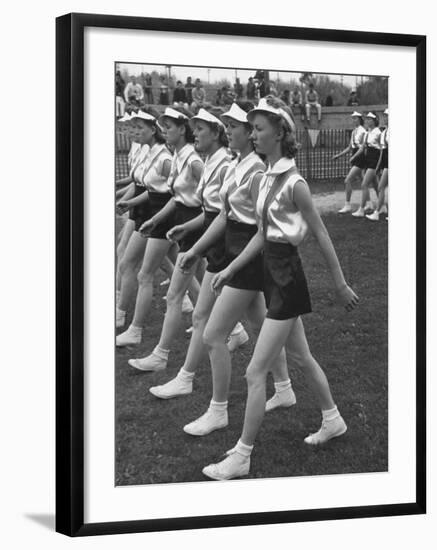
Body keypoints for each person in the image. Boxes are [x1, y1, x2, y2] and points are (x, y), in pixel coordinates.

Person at [200, 97, 358, 480]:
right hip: (270, 274)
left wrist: (339, 283)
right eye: (251, 128)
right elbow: (260, 234)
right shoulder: (266, 177)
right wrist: (231, 269)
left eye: (258, 128)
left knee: (256, 372)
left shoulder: (295, 183)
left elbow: (320, 235)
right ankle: (332, 419)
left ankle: (242, 455)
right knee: (301, 357)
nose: (252, 135)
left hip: (287, 279)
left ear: (280, 133)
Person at [161, 101, 296, 432]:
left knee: (213, 334)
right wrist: (196, 248)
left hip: (245, 259)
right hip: (235, 254)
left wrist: (231, 264)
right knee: (261, 323)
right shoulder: (239, 165)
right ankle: (285, 388)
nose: (232, 131)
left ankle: (218, 409)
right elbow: (224, 214)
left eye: (236, 126)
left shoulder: (256, 171)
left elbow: (261, 227)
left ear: (250, 135)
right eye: (232, 125)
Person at [144, 107, 249, 390]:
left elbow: (226, 214)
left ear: (215, 134)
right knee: (253, 319)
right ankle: (283, 382)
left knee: (209, 315)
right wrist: (187, 229)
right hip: (215, 241)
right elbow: (212, 209)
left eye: (201, 129)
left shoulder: (223, 165)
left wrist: (195, 244)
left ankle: (182, 374)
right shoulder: (213, 162)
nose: (195, 134)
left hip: (228, 247)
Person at [126, 106, 207, 369]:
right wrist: (156, 220)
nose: (164, 132)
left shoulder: (193, 161)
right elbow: (176, 197)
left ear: (182, 129)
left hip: (193, 226)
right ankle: (235, 330)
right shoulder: (178, 155)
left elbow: (212, 202)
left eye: (168, 127)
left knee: (177, 293)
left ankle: (161, 355)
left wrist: (198, 227)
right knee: (202, 283)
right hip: (181, 224)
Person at [115, 109, 175, 343]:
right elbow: (144, 185)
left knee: (135, 265)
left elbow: (174, 192)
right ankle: (234, 329)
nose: (133, 132)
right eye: (132, 127)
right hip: (148, 213)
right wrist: (128, 199)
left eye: (139, 127)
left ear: (153, 129)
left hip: (157, 215)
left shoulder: (164, 157)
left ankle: (126, 320)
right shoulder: (150, 152)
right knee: (179, 269)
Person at [332, 111, 367, 214]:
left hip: (360, 158)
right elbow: (350, 147)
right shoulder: (354, 131)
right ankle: (370, 203)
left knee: (348, 180)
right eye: (353, 118)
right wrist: (338, 155)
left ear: (360, 119)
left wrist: (353, 158)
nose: (353, 120)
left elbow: (361, 148)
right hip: (356, 156)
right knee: (364, 181)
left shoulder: (362, 131)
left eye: (355, 118)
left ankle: (347, 205)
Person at [350, 112, 381, 218]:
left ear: (374, 121)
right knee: (376, 185)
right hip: (369, 160)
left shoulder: (378, 132)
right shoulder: (368, 132)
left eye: (370, 119)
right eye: (367, 119)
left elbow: (382, 150)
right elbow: (363, 147)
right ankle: (383, 207)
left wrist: (379, 164)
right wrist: (354, 157)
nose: (367, 121)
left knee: (364, 184)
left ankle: (361, 209)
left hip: (374, 161)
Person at [366, 108, 389, 221]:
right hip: (385, 163)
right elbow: (381, 152)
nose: (386, 118)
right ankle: (381, 210)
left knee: (381, 187)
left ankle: (377, 212)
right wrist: (378, 166)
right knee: (381, 187)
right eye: (385, 116)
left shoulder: (382, 132)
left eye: (388, 116)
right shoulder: (384, 132)